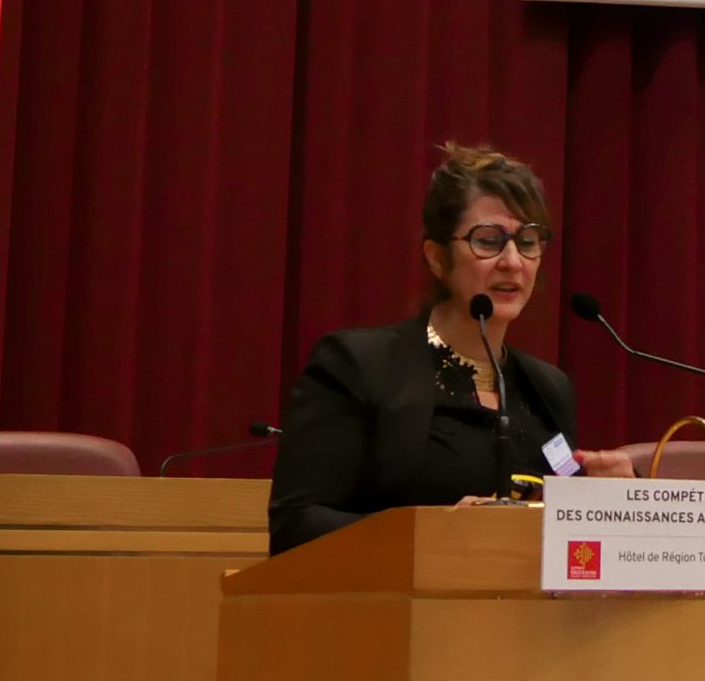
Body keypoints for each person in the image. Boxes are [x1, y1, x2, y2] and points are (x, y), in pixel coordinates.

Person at [268, 144, 634, 554]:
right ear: (438, 258)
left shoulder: (549, 389)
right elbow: (296, 524)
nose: (513, 262)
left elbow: (557, 538)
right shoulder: (360, 365)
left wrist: (607, 504)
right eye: (489, 241)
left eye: (528, 241)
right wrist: (438, 534)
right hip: (389, 613)